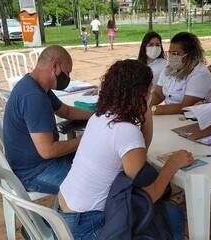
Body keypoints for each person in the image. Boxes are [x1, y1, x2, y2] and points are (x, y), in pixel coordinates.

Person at [56, 59, 194, 239]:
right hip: (86, 224)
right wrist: (172, 165)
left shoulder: (101, 117)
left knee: (163, 212)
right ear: (140, 94)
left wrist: (147, 113)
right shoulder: (126, 131)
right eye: (149, 90)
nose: (152, 94)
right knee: (173, 216)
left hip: (62, 212)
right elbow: (148, 195)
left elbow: (140, 152)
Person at [3, 45, 92, 194]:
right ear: (55, 66)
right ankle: (62, 216)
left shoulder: (35, 85)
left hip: (38, 164)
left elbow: (66, 111)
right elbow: (48, 151)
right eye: (67, 72)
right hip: (34, 173)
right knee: (96, 185)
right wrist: (86, 139)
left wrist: (97, 115)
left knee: (94, 160)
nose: (67, 78)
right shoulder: (33, 97)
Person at [150, 32, 211, 115]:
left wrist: (152, 109)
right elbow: (158, 94)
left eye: (175, 53)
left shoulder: (200, 74)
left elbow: (185, 107)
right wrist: (144, 105)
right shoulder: (169, 69)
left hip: (191, 120)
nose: (170, 56)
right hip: (171, 117)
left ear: (189, 55)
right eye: (169, 52)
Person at [138, 31, 211, 88]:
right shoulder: (138, 63)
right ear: (144, 46)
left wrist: (207, 69)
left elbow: (187, 72)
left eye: (157, 45)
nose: (154, 48)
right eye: (151, 45)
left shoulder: (166, 65)